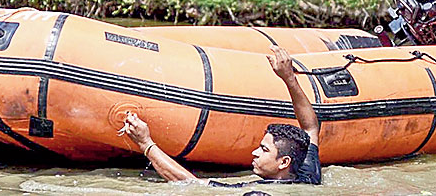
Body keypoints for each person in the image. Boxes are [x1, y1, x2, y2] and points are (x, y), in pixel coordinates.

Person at [120, 45, 321, 186]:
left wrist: (145, 143)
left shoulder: (258, 191)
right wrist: (288, 78)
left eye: (264, 149)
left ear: (284, 162)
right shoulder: (307, 173)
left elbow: (191, 184)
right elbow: (310, 127)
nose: (255, 153)